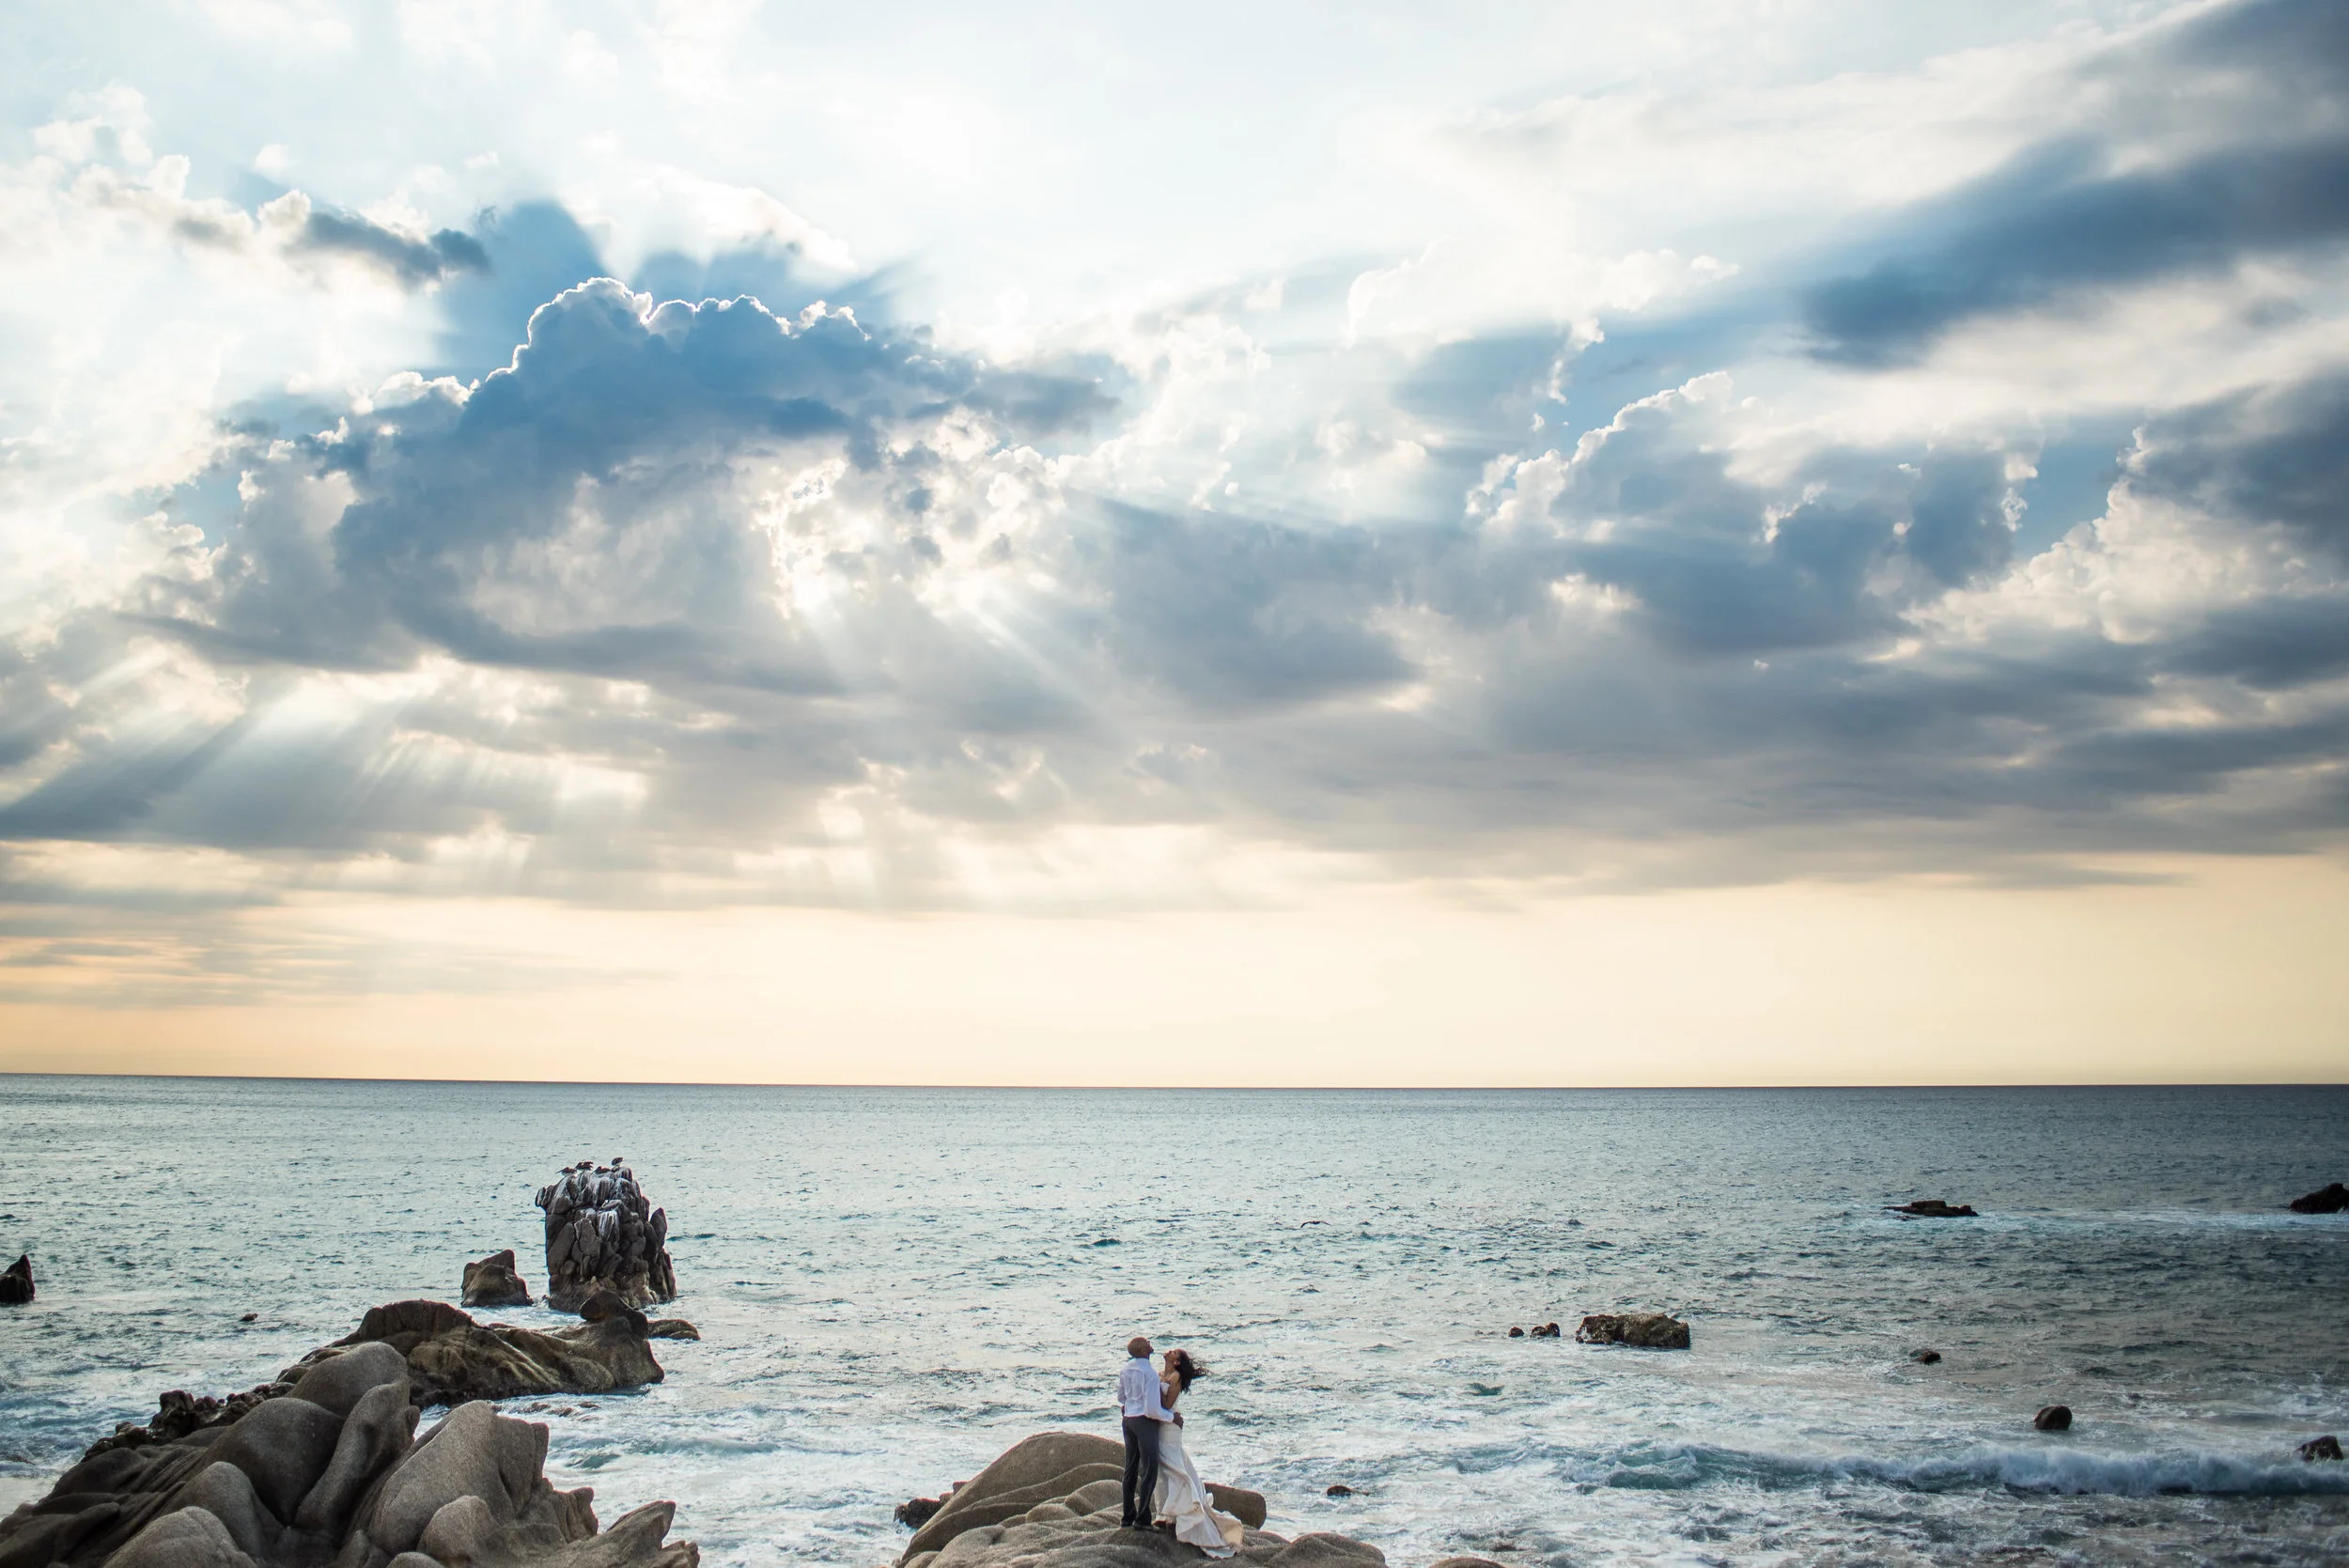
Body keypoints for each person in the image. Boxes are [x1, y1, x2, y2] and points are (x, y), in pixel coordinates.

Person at [1152, 1347, 1245, 1557]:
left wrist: (1154, 1388)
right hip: (1161, 1426)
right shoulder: (1162, 1374)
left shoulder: (1174, 1377)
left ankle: (1176, 1515)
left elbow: (1167, 1405)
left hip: (1169, 1428)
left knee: (1174, 1468)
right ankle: (1165, 1514)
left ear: (1176, 1362)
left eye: (1174, 1352)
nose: (1169, 1351)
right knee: (1161, 1471)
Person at [1116, 1335, 1173, 1529]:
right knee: (1149, 1469)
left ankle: (1127, 1517)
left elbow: (1121, 1396)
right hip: (1144, 1421)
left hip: (1128, 1420)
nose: (1150, 1344)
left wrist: (1130, 1405)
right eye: (1147, 1343)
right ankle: (1142, 1518)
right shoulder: (1149, 1373)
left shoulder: (1126, 1368)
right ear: (1143, 1351)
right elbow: (1152, 1409)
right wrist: (1171, 1417)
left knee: (1130, 1470)